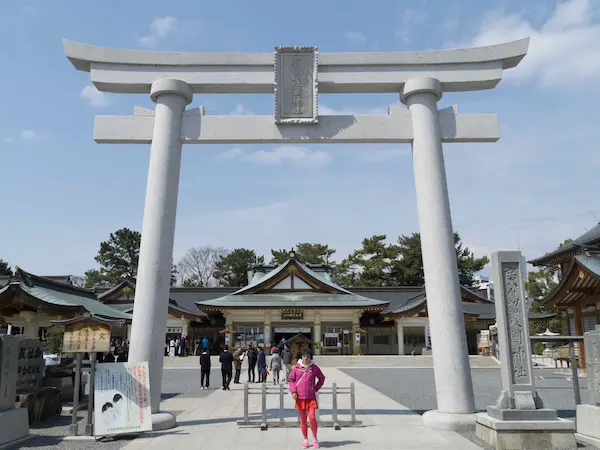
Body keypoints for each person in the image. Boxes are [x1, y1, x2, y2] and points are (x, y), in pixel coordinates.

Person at [289, 352, 325, 449]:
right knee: (303, 419)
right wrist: (293, 391)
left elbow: (322, 378)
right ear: (301, 357)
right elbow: (291, 379)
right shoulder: (296, 367)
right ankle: (305, 439)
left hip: (311, 397)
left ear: (310, 358)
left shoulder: (314, 368)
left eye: (308, 356)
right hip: (300, 398)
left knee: (312, 417)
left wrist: (315, 388)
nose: (306, 358)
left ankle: (314, 438)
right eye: (304, 356)